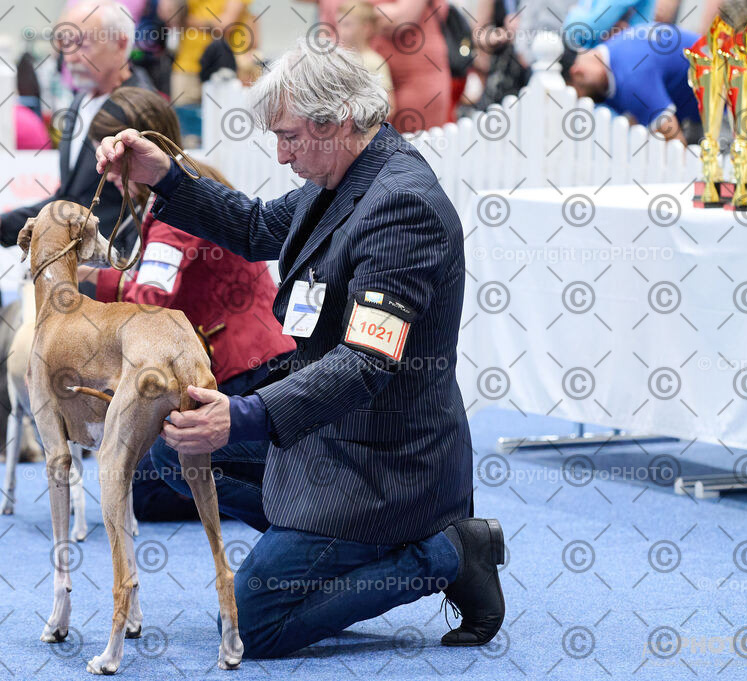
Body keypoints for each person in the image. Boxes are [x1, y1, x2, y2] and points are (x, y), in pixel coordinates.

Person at [95, 38, 505, 657]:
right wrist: (167, 178)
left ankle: (447, 552)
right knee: (163, 453)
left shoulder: (401, 207)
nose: (282, 155)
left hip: (386, 464)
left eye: (288, 138)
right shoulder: (340, 173)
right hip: (325, 433)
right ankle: (319, 547)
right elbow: (257, 225)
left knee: (253, 626)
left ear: (336, 121)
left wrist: (241, 415)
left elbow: (365, 365)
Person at [77, 86, 296, 520]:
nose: (110, 177)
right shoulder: (196, 182)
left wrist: (88, 281)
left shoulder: (172, 209)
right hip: (253, 364)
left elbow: (151, 302)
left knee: (152, 481)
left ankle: (296, 511)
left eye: (115, 167)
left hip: (245, 375)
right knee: (146, 476)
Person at [0, 0, 156, 261]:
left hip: (121, 272)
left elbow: (154, 205)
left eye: (82, 44)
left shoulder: (143, 108)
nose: (69, 56)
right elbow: (71, 199)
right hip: (83, 266)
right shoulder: (80, 102)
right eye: (65, 44)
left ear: (119, 44)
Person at [301, 0, 452, 133]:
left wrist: (360, 15)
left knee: (418, 146)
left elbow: (400, 17)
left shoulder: (373, 61)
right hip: (350, 73)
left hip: (414, 78)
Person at [562, 24, 701, 143]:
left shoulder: (631, 77)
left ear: (577, 73)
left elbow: (675, 145)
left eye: (576, 95)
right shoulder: (613, 55)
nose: (582, 100)